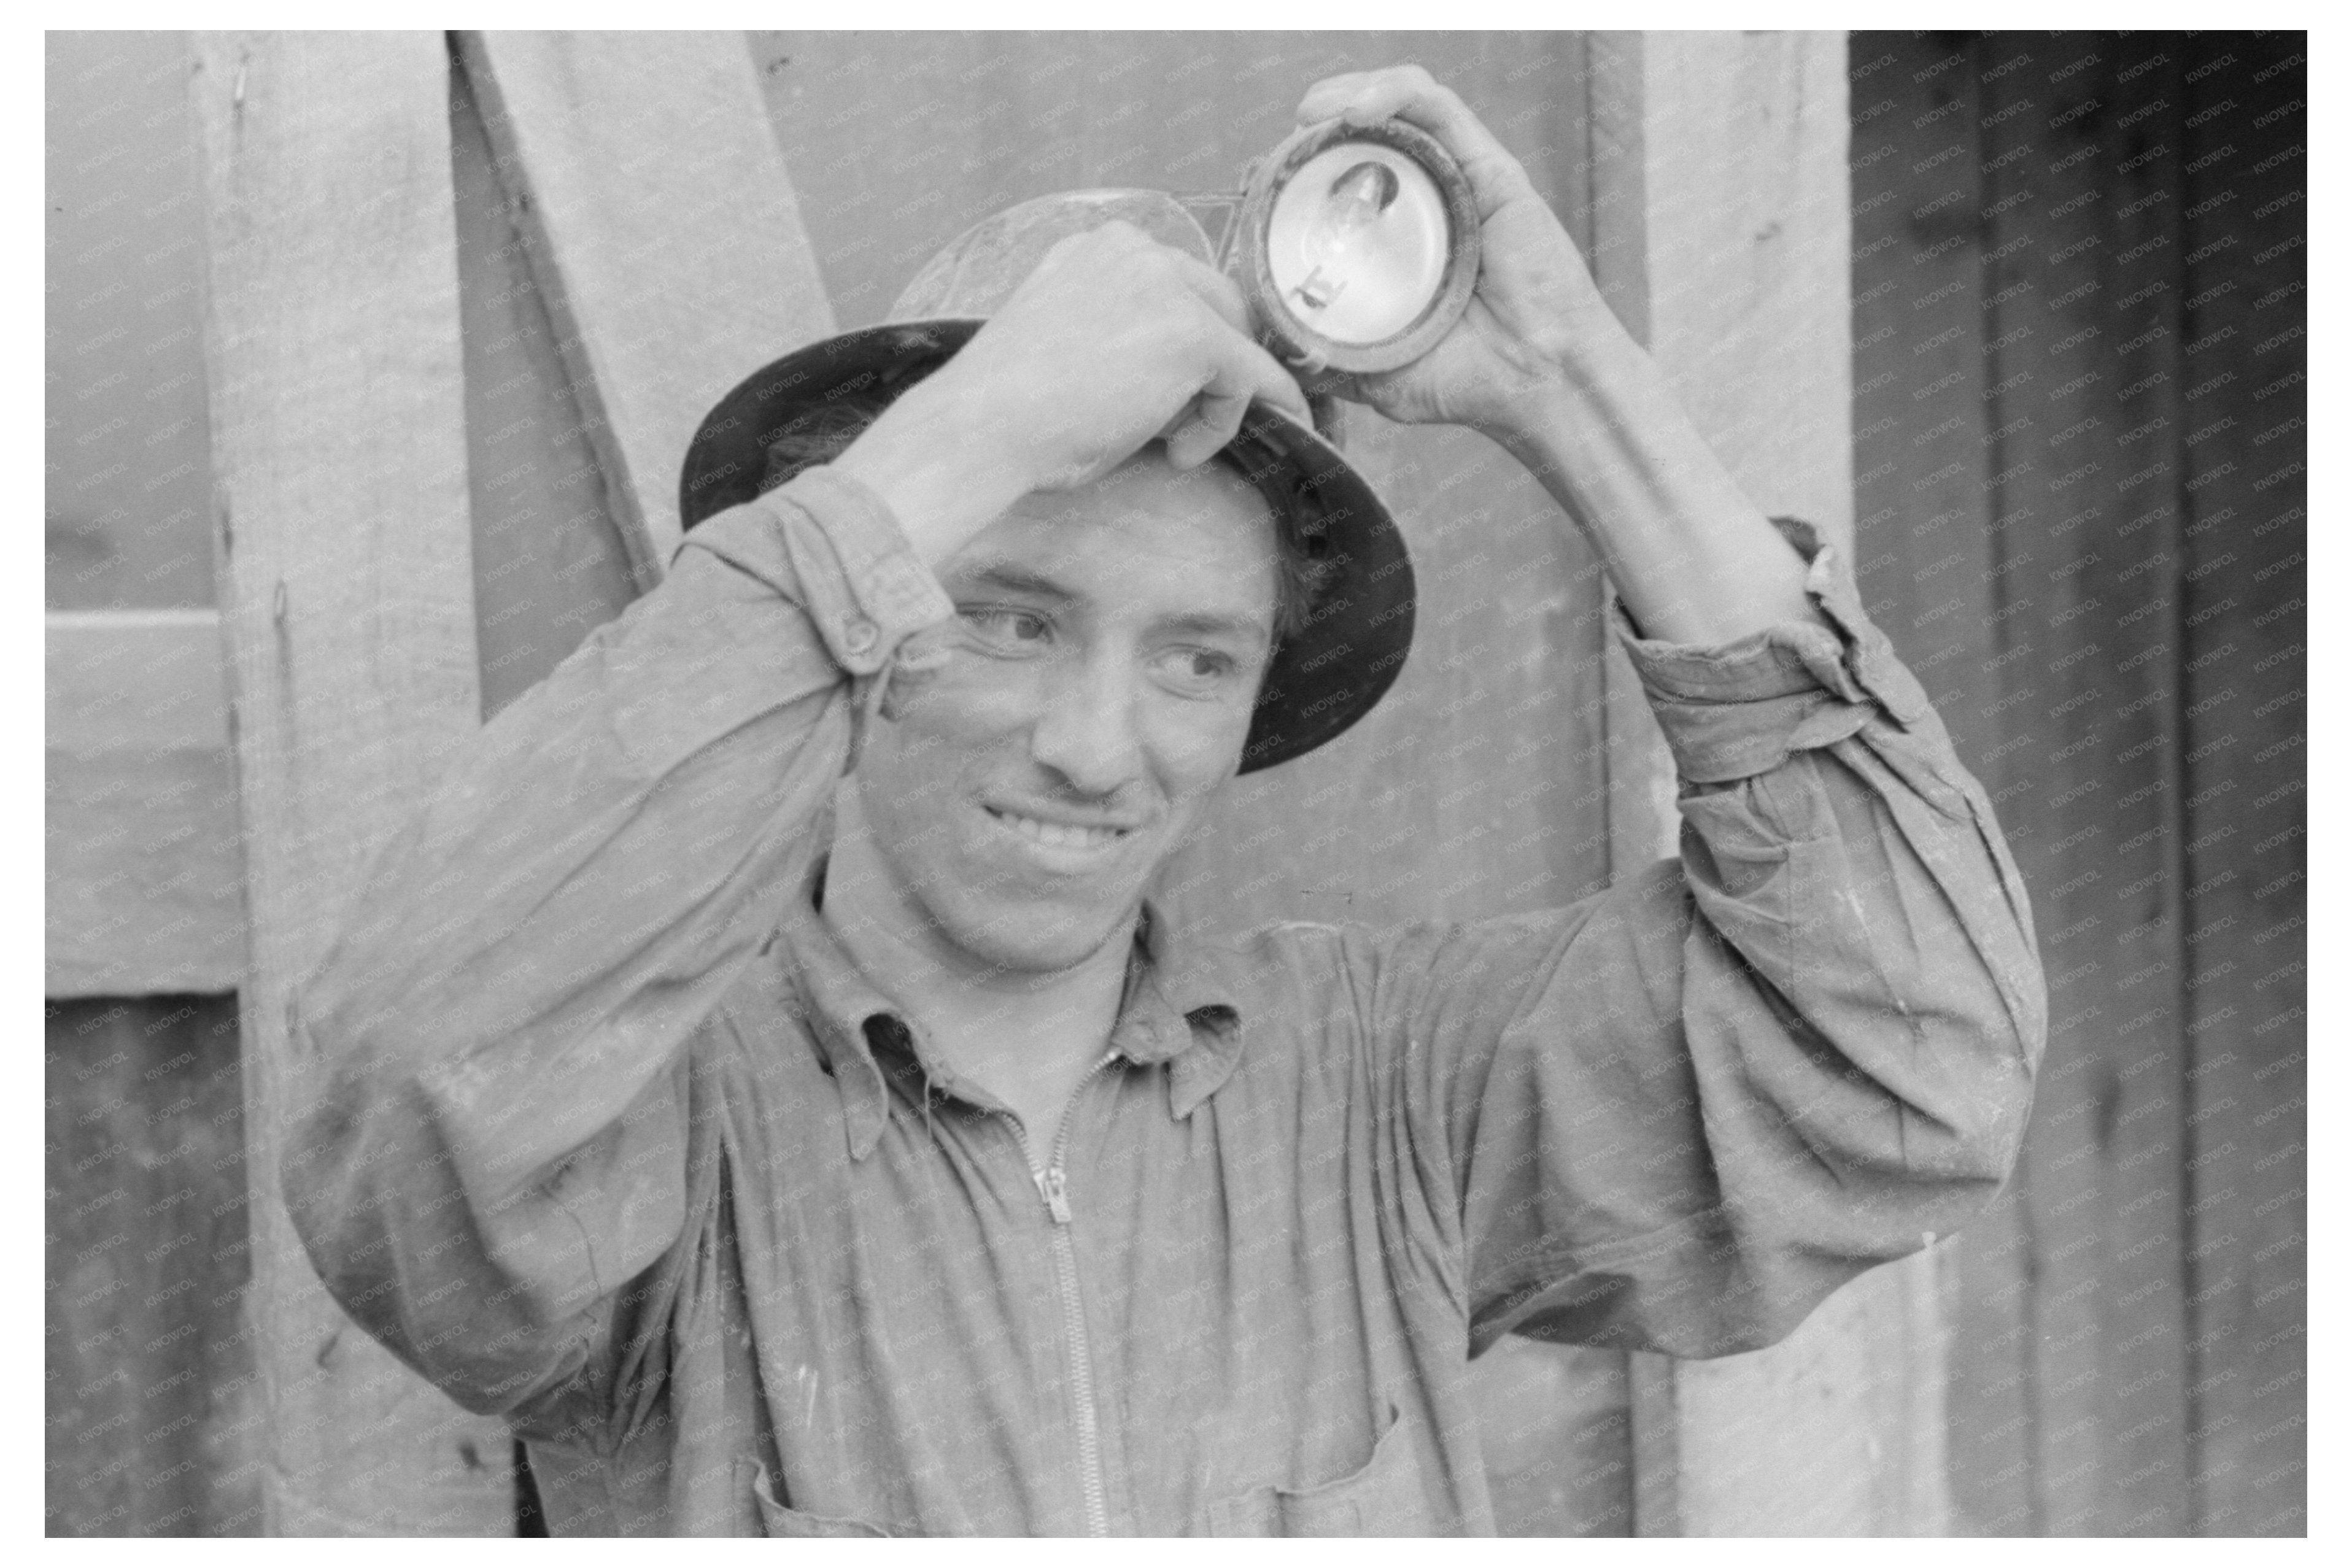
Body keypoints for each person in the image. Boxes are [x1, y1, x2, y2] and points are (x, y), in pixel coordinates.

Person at [284, 67, 2046, 1536]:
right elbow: (412, 1091)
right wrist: (969, 437)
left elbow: (1907, 1062)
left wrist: (1572, 377)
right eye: (1008, 616)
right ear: (875, 617)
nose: (1096, 744)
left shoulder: (1392, 1096)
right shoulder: (666, 1124)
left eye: (1197, 657)